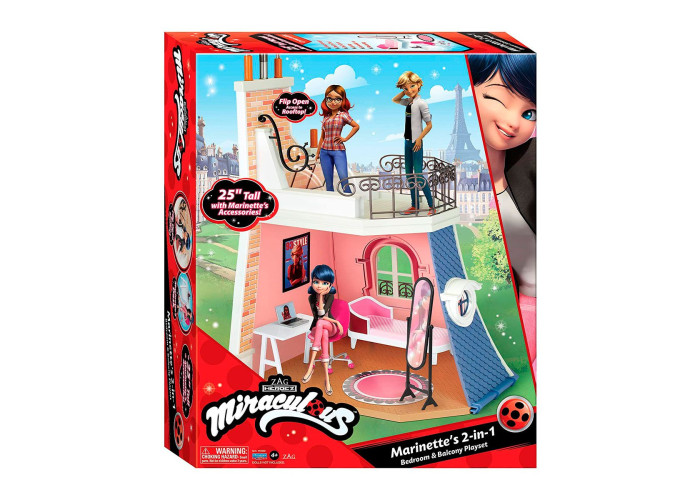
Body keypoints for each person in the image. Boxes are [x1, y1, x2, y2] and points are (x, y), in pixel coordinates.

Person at [468, 53, 537, 377]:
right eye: (499, 98)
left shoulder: (532, 160)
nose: (514, 122)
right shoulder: (450, 179)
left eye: (529, 112)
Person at [392, 71, 435, 216]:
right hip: (407, 142)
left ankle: (431, 206)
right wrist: (404, 90)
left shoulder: (422, 103)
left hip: (416, 143)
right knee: (409, 175)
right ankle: (414, 205)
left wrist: (419, 139)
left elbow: (429, 125)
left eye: (412, 86)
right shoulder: (409, 102)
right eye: (406, 88)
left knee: (419, 176)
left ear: (419, 85)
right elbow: (395, 100)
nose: (409, 90)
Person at [301, 264, 343, 395]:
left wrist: (335, 322)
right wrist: (319, 297)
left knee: (321, 324)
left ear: (330, 285)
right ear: (312, 282)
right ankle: (327, 380)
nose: (319, 286)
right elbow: (318, 316)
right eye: (316, 282)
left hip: (331, 327)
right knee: (321, 327)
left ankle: (310, 366)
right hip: (319, 328)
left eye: (324, 283)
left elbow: (323, 315)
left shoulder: (330, 296)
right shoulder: (311, 298)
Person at [315, 85, 360, 193]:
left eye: (338, 99)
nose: (333, 102)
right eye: (329, 99)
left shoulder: (343, 115)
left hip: (338, 151)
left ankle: (348, 199)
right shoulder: (326, 118)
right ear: (325, 100)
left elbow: (356, 126)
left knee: (344, 179)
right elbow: (322, 136)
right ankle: (330, 201)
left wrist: (345, 139)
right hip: (324, 152)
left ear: (342, 100)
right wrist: (317, 152)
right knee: (328, 182)